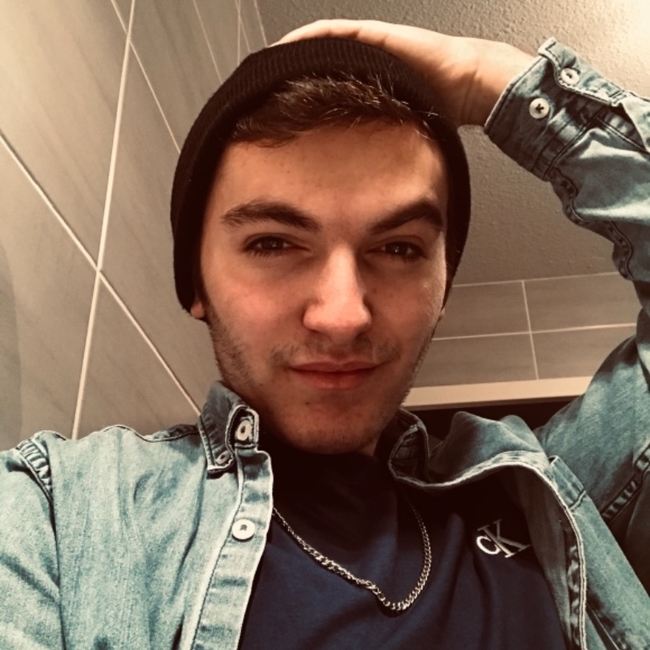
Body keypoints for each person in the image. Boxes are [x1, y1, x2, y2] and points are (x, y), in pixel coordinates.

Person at [1, 18, 649, 649]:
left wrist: (496, 84)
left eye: (398, 248)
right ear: (196, 282)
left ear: (442, 287)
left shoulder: (548, 493)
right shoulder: (61, 514)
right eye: (273, 243)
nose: (342, 316)